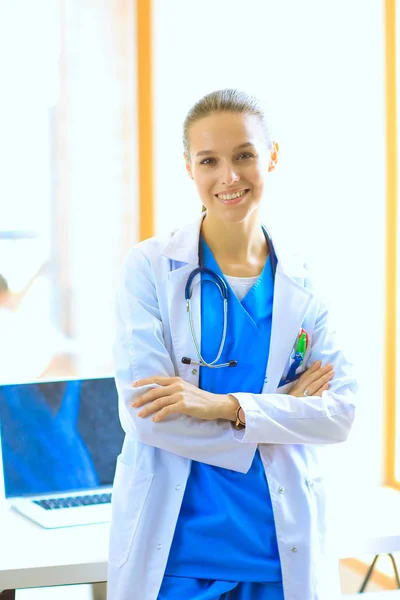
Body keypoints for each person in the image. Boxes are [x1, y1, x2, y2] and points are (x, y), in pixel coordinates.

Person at [107, 89, 357, 600]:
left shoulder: (306, 278)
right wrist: (284, 413)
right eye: (209, 161)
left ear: (272, 156)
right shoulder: (150, 269)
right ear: (188, 168)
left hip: (276, 549)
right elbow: (149, 415)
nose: (229, 177)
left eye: (244, 155)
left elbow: (340, 414)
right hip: (177, 551)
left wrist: (224, 406)